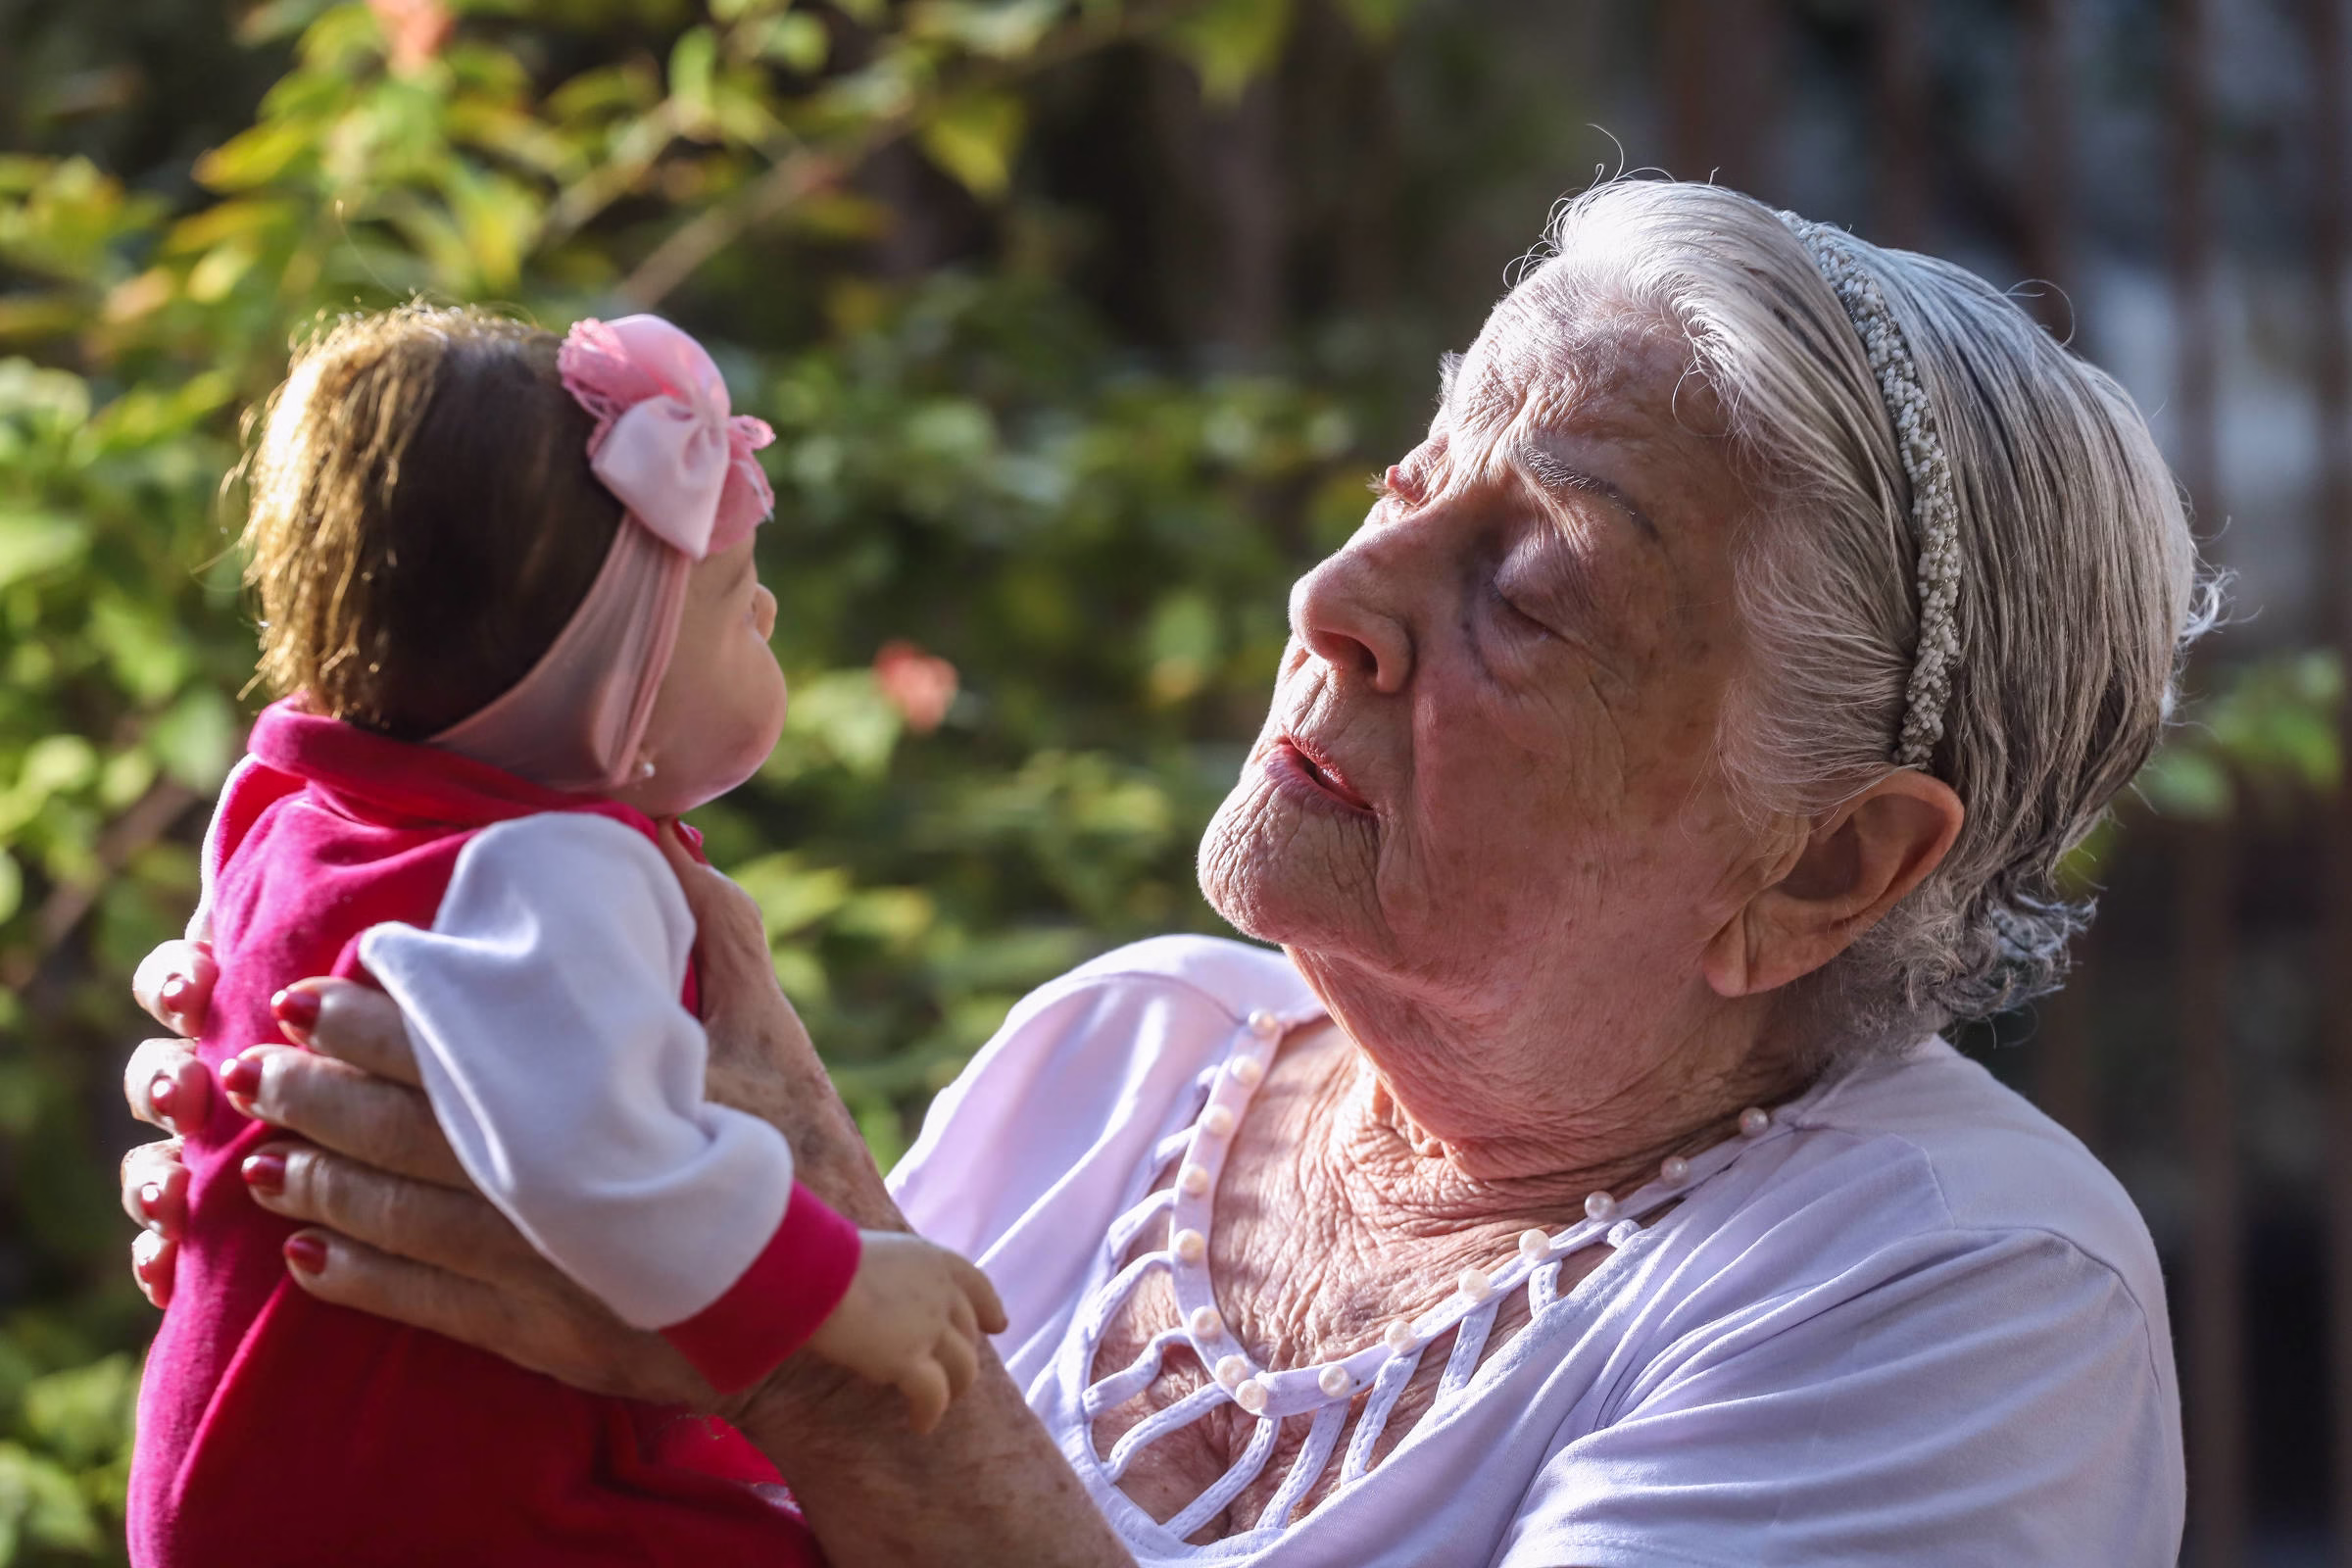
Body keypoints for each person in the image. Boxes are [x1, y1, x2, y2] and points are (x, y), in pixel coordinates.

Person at [122, 181, 2211, 1566]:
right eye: (1407, 483)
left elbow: (813, 1421)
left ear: (1827, 856)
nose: (1335, 592)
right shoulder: (1122, 1047)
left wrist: (800, 1340)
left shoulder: (1959, 1283)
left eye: (1533, 586)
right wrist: (379, 1215)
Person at [127, 306, 1002, 1568]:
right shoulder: (553, 869)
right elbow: (600, 1163)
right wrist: (839, 1288)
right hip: (423, 1498)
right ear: (608, 684)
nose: (765, 620)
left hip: (248, 1449)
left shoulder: (290, 802)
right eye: (729, 599)